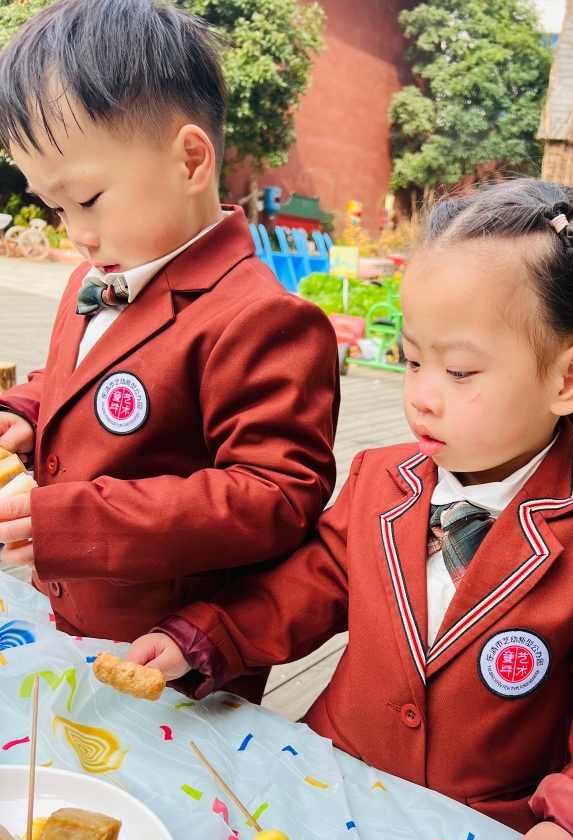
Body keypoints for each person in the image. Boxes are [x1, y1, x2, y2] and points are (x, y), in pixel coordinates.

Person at [128, 180, 573, 840]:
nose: (423, 394)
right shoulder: (379, 479)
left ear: (570, 377)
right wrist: (206, 637)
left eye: (458, 371)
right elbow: (308, 583)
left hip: (487, 836)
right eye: (410, 359)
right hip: (333, 780)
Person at [0, 0, 339, 703]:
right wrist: (26, 413)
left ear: (190, 159)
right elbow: (72, 377)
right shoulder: (95, 278)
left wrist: (77, 522)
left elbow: (276, 495)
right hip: (68, 622)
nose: (75, 233)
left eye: (88, 198)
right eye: (56, 208)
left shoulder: (262, 318)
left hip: (173, 665)